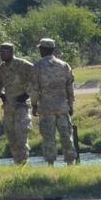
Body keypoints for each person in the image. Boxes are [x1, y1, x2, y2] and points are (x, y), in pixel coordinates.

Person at [30, 38, 77, 166]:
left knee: (49, 138)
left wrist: (34, 105)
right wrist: (71, 105)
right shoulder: (64, 65)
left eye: (40, 48)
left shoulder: (37, 66)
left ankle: (50, 163)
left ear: (43, 49)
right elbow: (70, 88)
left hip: (46, 108)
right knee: (66, 136)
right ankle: (70, 161)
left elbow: (34, 89)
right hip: (62, 107)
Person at [0, 42, 34, 164]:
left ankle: (23, 162)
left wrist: (27, 94)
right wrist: (2, 95)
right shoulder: (1, 68)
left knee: (21, 136)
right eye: (1, 52)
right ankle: (18, 163)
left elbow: (35, 80)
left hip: (22, 106)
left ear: (11, 52)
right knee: (11, 137)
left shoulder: (23, 65)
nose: (2, 54)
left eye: (5, 52)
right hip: (9, 108)